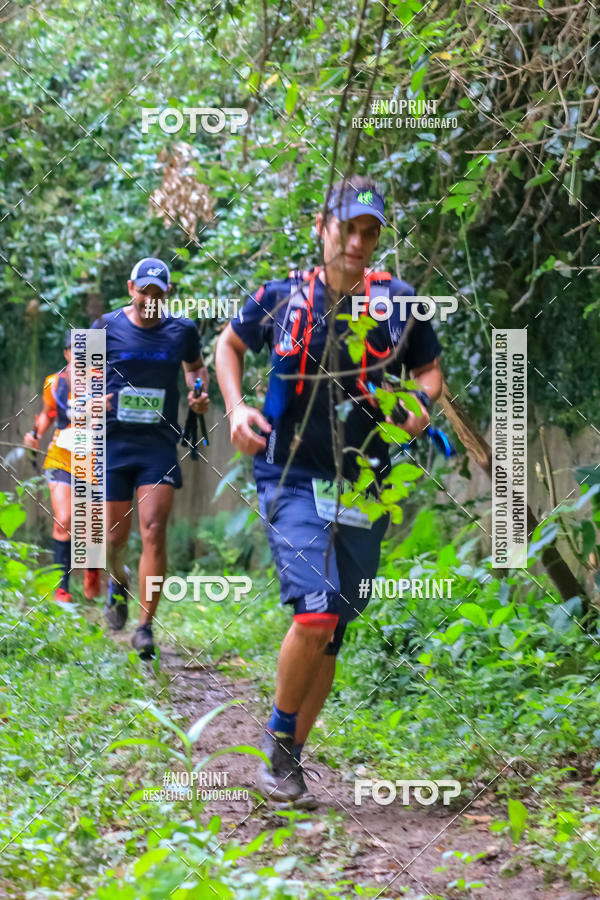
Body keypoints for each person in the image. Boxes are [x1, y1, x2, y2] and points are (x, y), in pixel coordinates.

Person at [215, 175, 444, 807]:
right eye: (349, 228)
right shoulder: (284, 297)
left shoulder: (399, 302)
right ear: (322, 226)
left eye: (371, 232)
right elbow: (228, 346)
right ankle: (279, 746)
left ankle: (289, 759)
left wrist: (420, 407)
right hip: (290, 477)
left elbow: (429, 372)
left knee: (333, 630)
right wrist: (235, 409)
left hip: (365, 487)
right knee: (314, 611)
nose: (359, 242)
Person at [92, 257, 209, 658]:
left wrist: (198, 393)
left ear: (167, 295)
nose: (149, 300)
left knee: (154, 528)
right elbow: (81, 379)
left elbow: (197, 368)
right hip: (114, 442)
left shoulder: (182, 331)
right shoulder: (104, 326)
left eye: (157, 294)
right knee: (112, 540)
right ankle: (118, 581)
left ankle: (145, 627)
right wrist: (95, 399)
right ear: (131, 289)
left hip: (158, 444)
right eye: (144, 291)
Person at [24, 331, 101, 603]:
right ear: (66, 353)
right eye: (74, 351)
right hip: (61, 455)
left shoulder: (104, 382)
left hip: (93, 456)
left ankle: (93, 568)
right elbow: (47, 414)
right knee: (64, 520)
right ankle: (62, 589)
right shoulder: (54, 383)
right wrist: (35, 433)